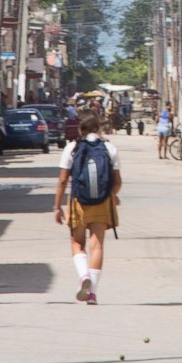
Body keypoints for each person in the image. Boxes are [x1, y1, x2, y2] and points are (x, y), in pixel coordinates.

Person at [53, 106, 122, 305]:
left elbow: (63, 180)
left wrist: (57, 207)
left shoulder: (72, 148)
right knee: (97, 245)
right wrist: (112, 195)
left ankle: (84, 276)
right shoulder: (109, 148)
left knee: (77, 243)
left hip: (78, 201)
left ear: (80, 128)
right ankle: (92, 293)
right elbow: (117, 181)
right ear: (98, 126)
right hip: (102, 202)